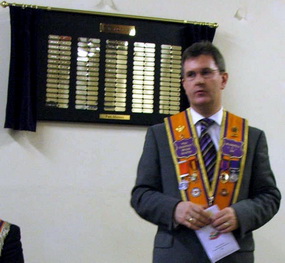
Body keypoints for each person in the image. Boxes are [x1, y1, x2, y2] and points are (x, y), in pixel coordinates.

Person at [130, 41, 281, 263]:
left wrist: (240, 214)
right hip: (177, 254)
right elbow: (141, 195)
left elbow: (269, 197)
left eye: (206, 72)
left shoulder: (251, 137)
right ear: (184, 83)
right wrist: (175, 209)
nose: (198, 80)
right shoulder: (161, 135)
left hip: (233, 255)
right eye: (191, 75)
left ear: (223, 79)